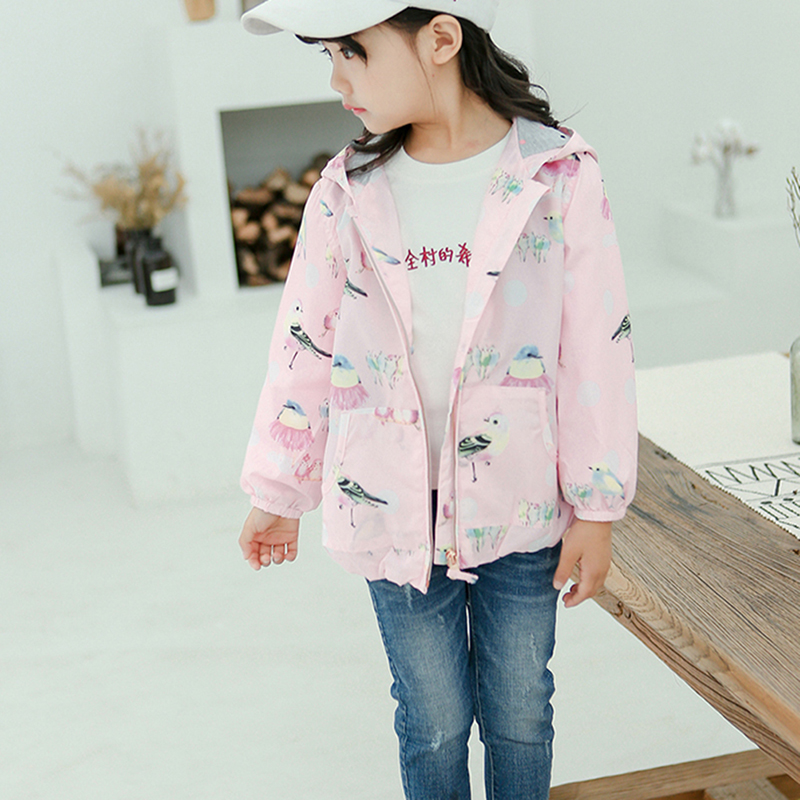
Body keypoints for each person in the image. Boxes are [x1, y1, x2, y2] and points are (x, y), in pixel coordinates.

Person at [238, 1, 638, 798]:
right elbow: (304, 346)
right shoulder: (346, 190)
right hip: (392, 509)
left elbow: (598, 347)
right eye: (327, 57)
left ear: (442, 38)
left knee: (521, 712)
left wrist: (597, 508)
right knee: (432, 720)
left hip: (520, 504)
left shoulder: (558, 175)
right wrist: (278, 490)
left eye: (352, 52)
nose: (337, 80)